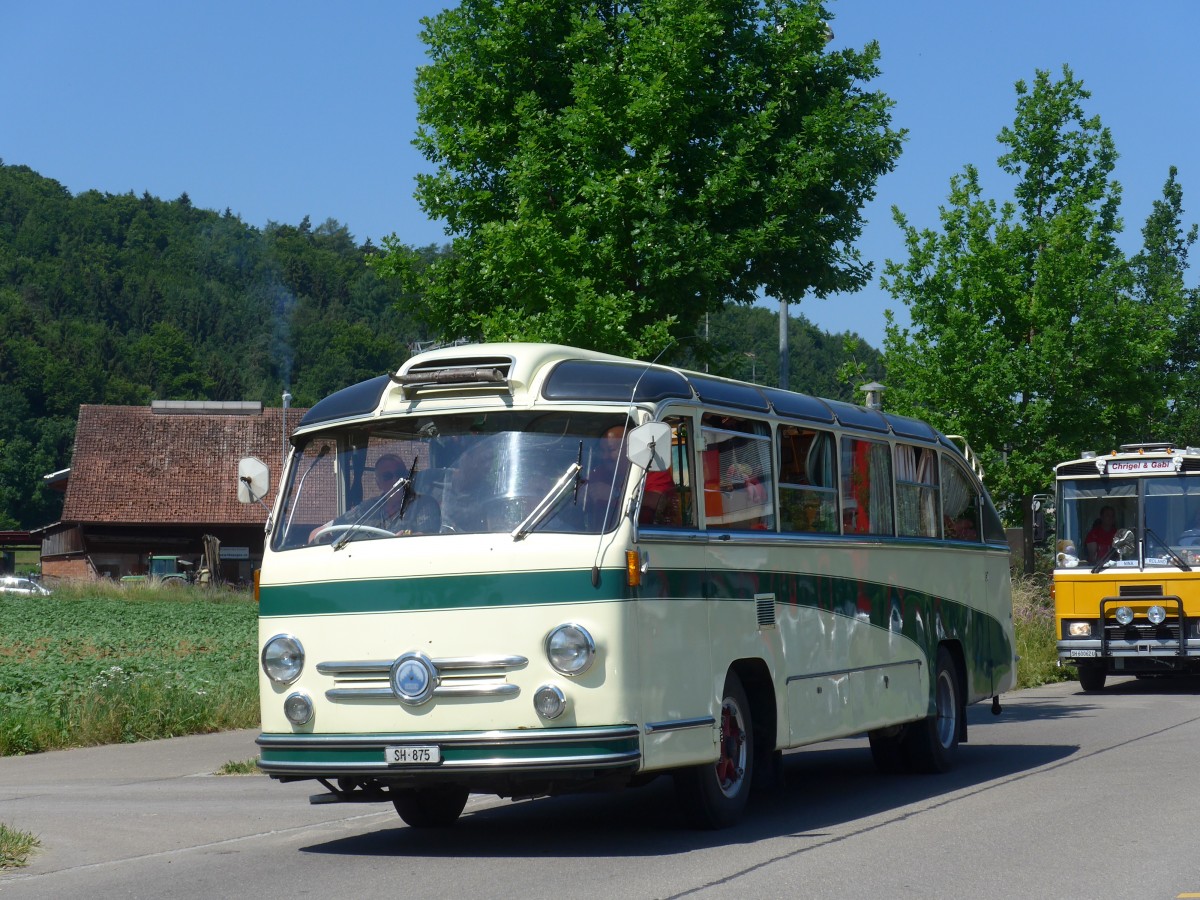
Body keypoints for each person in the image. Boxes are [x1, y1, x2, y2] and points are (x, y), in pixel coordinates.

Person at [309, 453, 439, 542]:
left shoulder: (424, 504)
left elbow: (427, 537)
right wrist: (319, 538)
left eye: (400, 474)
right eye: (388, 476)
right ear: (378, 483)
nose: (396, 480)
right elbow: (321, 531)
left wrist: (405, 539)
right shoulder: (366, 508)